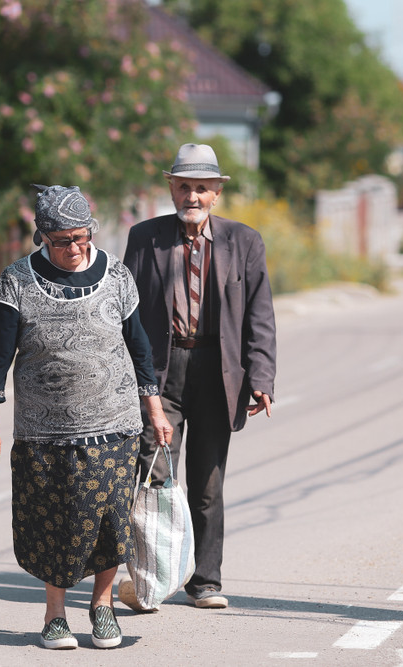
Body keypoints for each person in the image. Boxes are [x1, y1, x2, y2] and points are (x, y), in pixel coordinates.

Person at [0, 184, 173, 650]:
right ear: (42, 236)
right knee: (55, 521)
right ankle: (55, 615)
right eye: (63, 240)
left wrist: (155, 410)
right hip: (45, 430)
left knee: (110, 520)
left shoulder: (118, 276)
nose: (75, 248)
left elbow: (140, 349)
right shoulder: (17, 280)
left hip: (115, 424)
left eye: (82, 237)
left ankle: (102, 607)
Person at [121, 143, 277, 610]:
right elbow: (125, 311)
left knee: (207, 485)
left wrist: (262, 377)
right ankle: (153, 579)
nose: (193, 196)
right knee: (154, 477)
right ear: (171, 189)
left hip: (217, 373)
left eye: (202, 188)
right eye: (184, 186)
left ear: (216, 194)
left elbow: (260, 315)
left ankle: (205, 580)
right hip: (161, 374)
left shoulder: (244, 242)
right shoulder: (144, 238)